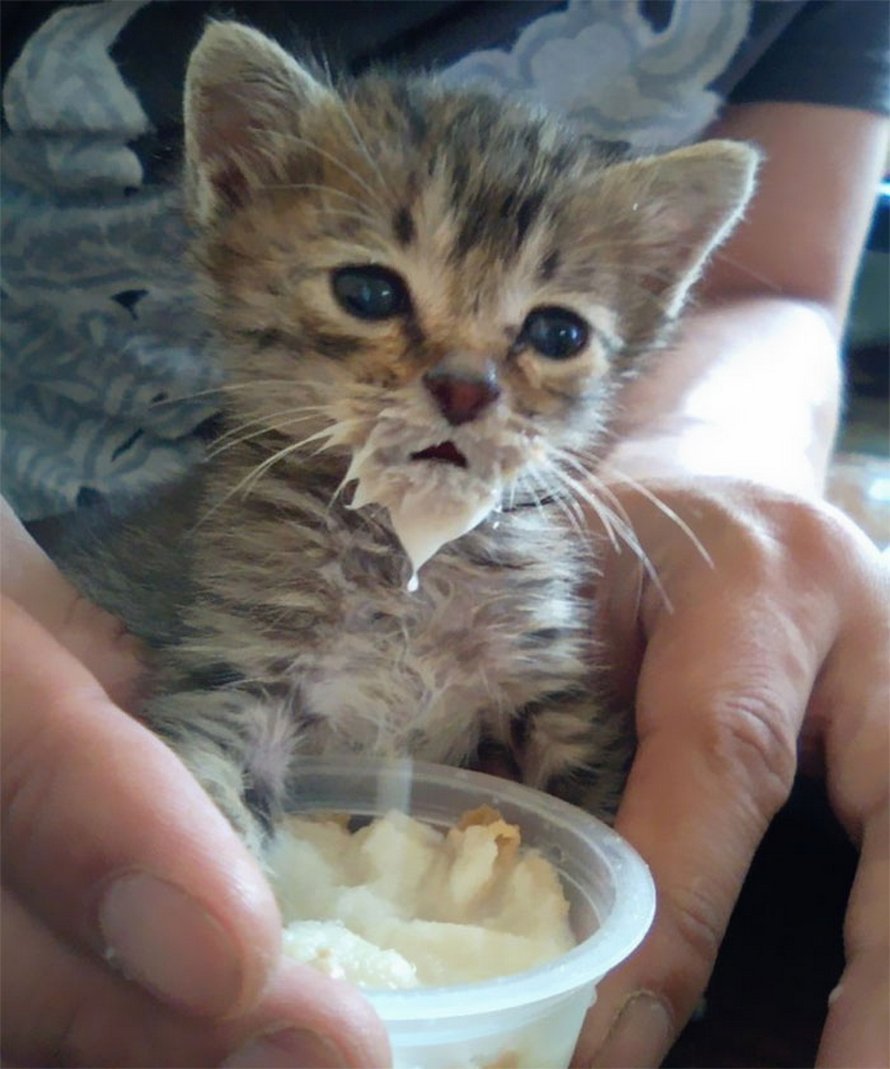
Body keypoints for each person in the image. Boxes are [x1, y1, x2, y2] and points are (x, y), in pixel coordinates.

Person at [2, 2, 888, 1066]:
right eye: (372, 291)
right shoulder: (264, 528)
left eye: (550, 332)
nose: (465, 381)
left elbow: (779, 291)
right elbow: (222, 745)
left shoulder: (536, 546)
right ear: (234, 193)